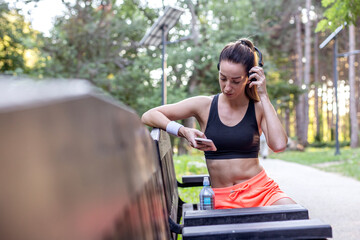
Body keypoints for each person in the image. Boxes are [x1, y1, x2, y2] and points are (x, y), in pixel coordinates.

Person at [141, 38, 296, 209]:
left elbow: (279, 145)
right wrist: (183, 131)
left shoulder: (259, 107)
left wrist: (264, 95)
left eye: (236, 81)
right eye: (223, 78)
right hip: (222, 199)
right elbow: (149, 115)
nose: (227, 87)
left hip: (262, 192)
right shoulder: (204, 105)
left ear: (250, 77)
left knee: (299, 221)